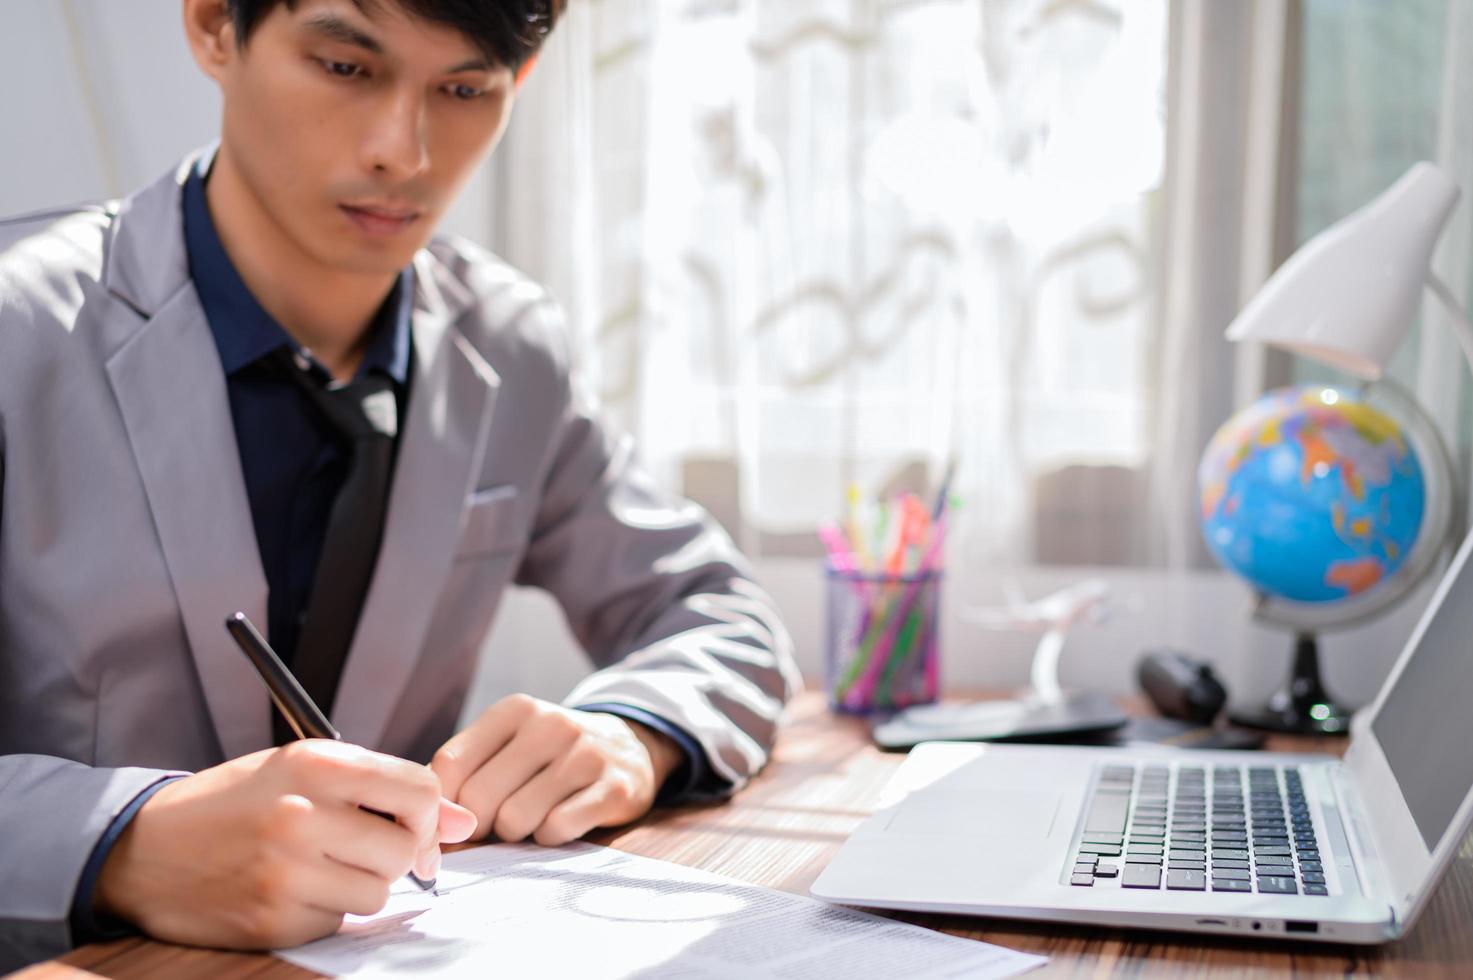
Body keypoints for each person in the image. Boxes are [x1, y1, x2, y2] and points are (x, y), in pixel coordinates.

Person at [0, 0, 799, 968]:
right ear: (215, 26)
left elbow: (716, 610)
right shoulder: (21, 330)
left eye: (464, 89)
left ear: (520, 85)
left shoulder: (510, 345)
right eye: (345, 67)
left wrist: (632, 733)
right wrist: (121, 841)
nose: (404, 151)